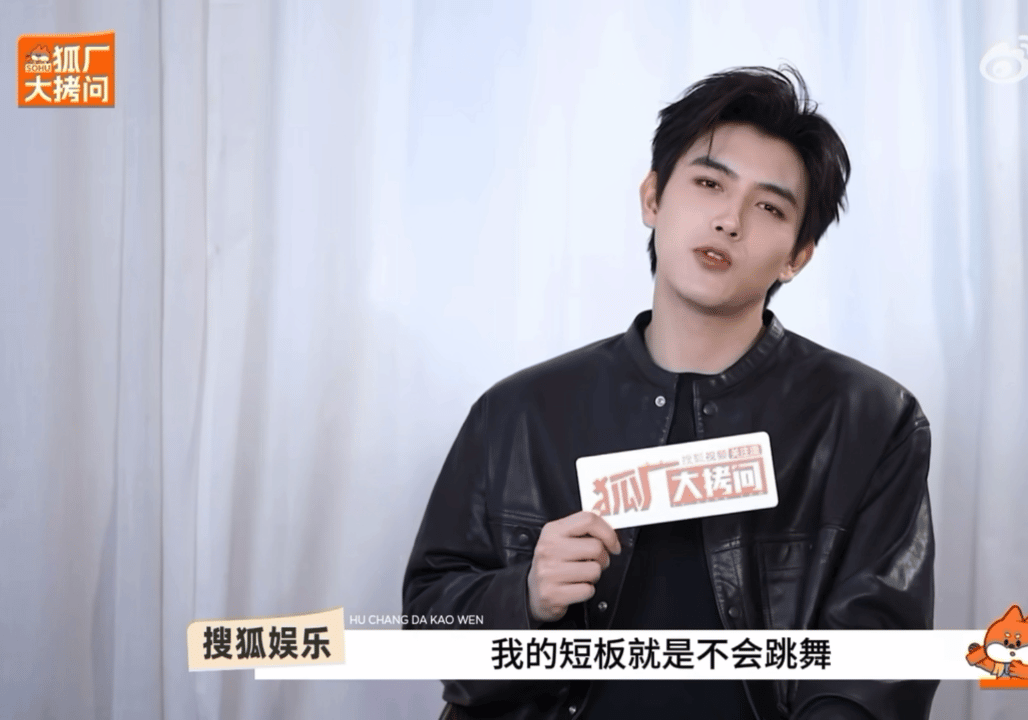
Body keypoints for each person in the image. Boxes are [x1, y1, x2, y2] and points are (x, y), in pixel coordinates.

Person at [403, 65, 937, 720]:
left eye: (769, 207)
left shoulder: (872, 420)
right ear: (653, 198)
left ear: (797, 255)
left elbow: (879, 667)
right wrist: (526, 597)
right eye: (709, 184)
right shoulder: (518, 412)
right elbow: (427, 627)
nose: (730, 221)